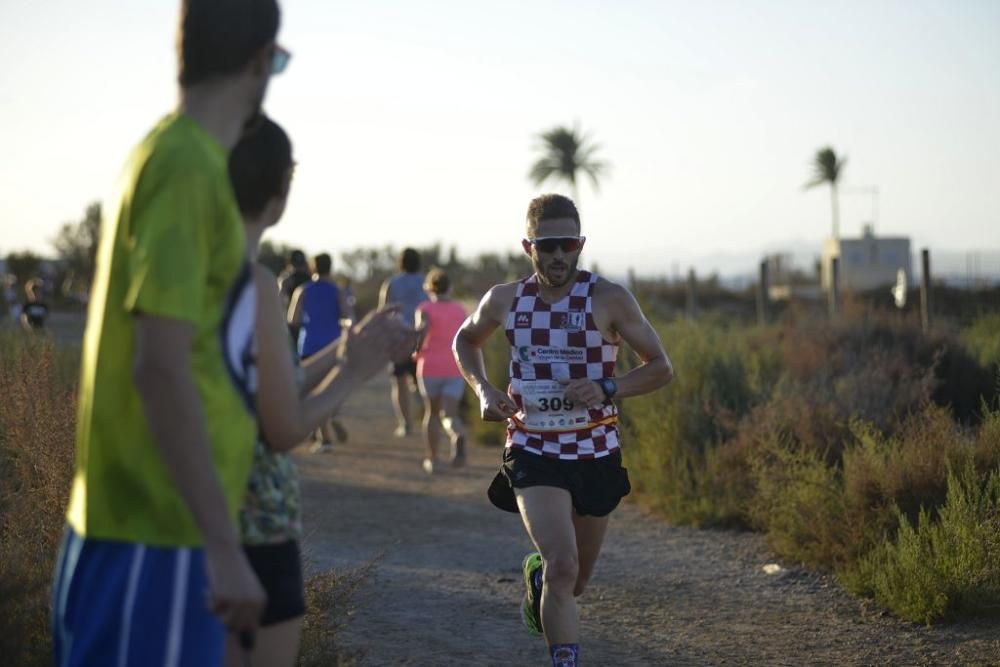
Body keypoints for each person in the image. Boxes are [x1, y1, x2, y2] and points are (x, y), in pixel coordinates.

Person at [52, 2, 289, 664]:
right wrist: (222, 543)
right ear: (259, 61)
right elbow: (160, 365)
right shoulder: (187, 168)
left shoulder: (177, 158)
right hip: (156, 534)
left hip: (158, 530)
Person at [453, 193, 673, 667]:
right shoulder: (506, 299)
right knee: (564, 565)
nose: (558, 256)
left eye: (567, 245)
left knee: (577, 580)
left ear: (581, 244)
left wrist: (608, 385)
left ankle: (540, 581)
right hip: (533, 447)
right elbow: (465, 340)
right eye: (547, 245)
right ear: (528, 245)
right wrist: (484, 390)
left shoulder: (608, 298)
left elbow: (660, 368)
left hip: (595, 450)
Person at [227, 115, 415, 667]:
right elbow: (283, 427)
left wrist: (341, 352)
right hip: (254, 526)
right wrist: (355, 372)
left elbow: (266, 385)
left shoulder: (187, 273)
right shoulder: (251, 283)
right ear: (282, 186)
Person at [288, 253, 352, 451]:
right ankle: (328, 420)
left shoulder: (303, 290)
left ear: (312, 268)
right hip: (333, 345)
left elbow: (293, 319)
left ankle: (324, 439)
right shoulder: (338, 290)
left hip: (309, 345)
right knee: (329, 389)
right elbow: (347, 315)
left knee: (313, 393)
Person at [413, 268, 468, 473]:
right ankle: (456, 434)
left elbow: (422, 331)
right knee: (450, 414)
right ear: (450, 287)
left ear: (429, 287)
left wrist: (415, 350)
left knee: (432, 413)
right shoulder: (459, 310)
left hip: (430, 366)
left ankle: (433, 459)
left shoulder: (424, 308)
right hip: (454, 366)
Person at [379, 247, 428, 436]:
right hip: (422, 339)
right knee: (424, 383)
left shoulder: (391, 283)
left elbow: (383, 312)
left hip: (398, 339)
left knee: (399, 383)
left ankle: (405, 423)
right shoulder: (426, 282)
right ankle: (429, 419)